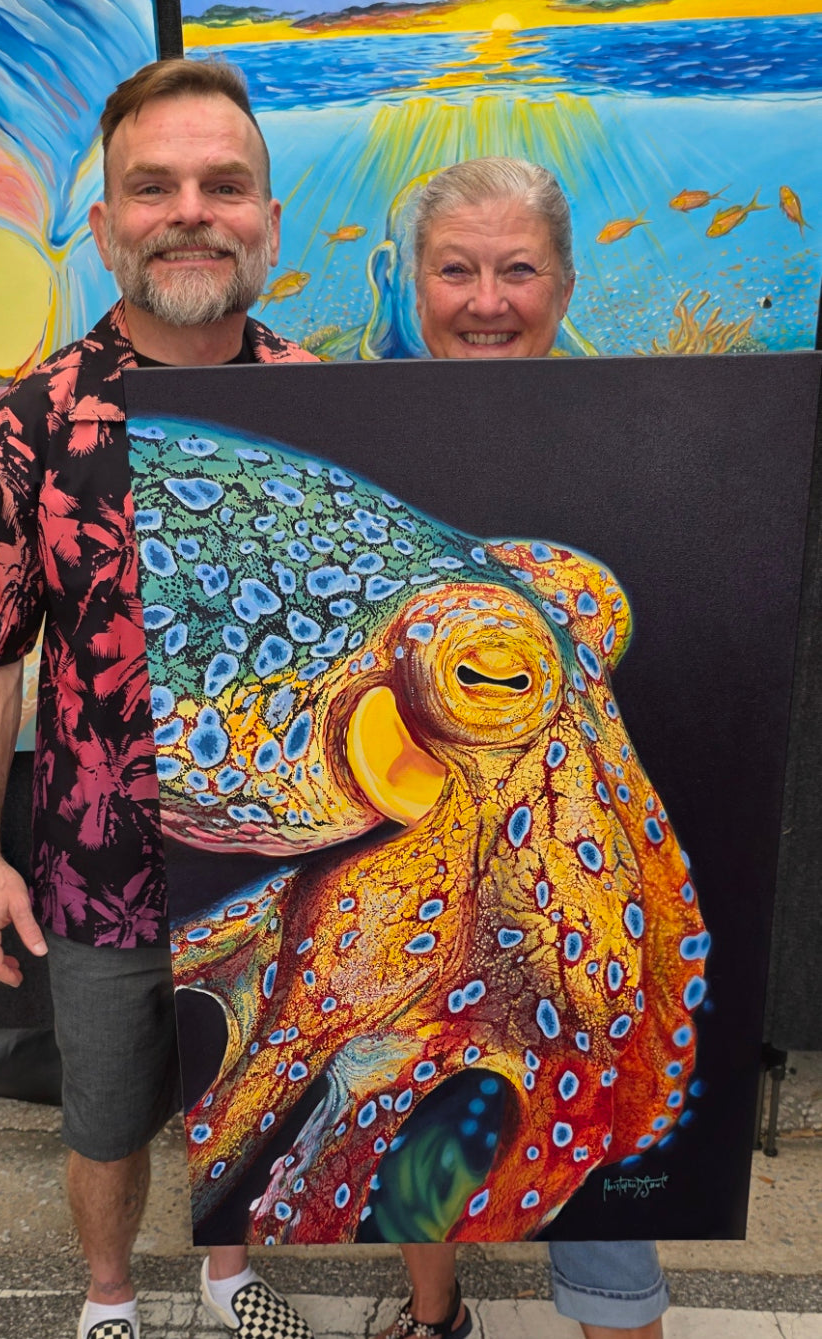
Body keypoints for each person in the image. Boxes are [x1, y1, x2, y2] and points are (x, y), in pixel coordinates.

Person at [0, 58, 319, 1339]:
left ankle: (230, 1277)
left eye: (224, 184)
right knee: (103, 1111)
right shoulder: (26, 425)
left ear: (268, 215)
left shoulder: (326, 399)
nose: (190, 210)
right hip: (101, 863)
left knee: (258, 1087)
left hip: (284, 848)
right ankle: (108, 1303)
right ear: (102, 226)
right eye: (152, 187)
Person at [374, 157, 668, 1339]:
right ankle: (431, 1315)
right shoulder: (359, 431)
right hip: (422, 846)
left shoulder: (646, 437)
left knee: (599, 1116)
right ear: (413, 282)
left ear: (562, 282)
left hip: (588, 864)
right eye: (457, 269)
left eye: (515, 269)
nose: (485, 299)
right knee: (418, 1097)